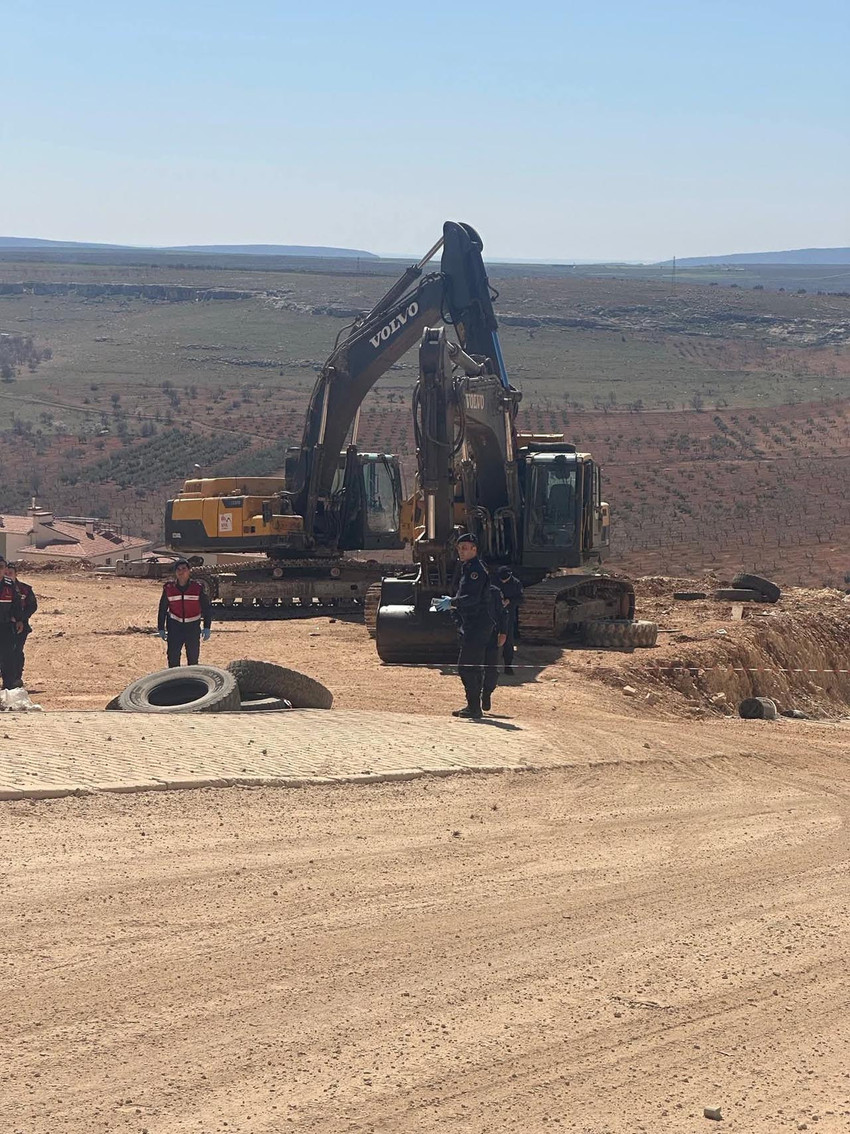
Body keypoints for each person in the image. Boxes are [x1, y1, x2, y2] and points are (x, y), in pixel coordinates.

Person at [434, 533, 494, 719]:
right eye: (459, 548)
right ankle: (474, 706)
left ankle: (474, 707)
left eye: (465, 548)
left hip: (477, 624)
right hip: (472, 623)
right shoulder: (468, 568)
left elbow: (472, 598)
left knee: (466, 667)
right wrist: (453, 601)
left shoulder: (475, 570)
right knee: (473, 666)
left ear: (474, 549)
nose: (461, 551)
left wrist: (452, 602)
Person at [157, 559, 212, 667]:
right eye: (178, 569)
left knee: (193, 659)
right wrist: (161, 628)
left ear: (189, 571)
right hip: (174, 627)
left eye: (184, 569)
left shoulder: (197, 588)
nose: (181, 571)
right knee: (173, 658)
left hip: (192, 628)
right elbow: (162, 609)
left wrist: (207, 627)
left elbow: (206, 609)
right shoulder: (169, 588)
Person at [5, 563, 37, 687]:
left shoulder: (25, 589)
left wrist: (20, 618)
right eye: (5, 573)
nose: (8, 576)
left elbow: (32, 606)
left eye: (10, 573)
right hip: (4, 625)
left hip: (20, 626)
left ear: (16, 574)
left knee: (17, 651)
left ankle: (16, 677)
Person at [482, 580, 508, 713]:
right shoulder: (466, 589)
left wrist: (503, 632)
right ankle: (473, 702)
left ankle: (487, 693)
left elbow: (502, 613)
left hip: (491, 635)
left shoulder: (494, 592)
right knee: (471, 670)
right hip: (471, 635)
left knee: (491, 668)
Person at [0, 555, 24, 690]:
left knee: (7, 656)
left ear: (5, 569)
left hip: (5, 626)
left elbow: (16, 604)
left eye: (1, 567)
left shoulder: (9, 585)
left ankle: (8, 687)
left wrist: (19, 620)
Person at [495, 565, 524, 674]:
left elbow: (520, 599)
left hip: (508, 615)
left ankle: (508, 665)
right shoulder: (494, 581)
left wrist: (509, 601)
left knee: (508, 641)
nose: (503, 581)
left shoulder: (516, 583)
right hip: (494, 614)